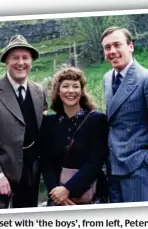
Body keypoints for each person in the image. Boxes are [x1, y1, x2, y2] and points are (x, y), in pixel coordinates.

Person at [0, 35, 47, 209]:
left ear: (31, 61)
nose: (20, 62)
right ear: (6, 61)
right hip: (2, 175)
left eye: (25, 58)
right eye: (15, 57)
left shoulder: (39, 91)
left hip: (31, 172)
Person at [101, 26, 148, 202]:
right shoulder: (107, 78)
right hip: (114, 167)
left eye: (117, 45)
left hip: (140, 169)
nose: (112, 51)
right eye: (107, 47)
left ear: (130, 46)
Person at [40, 67, 109, 206]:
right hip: (57, 198)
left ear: (82, 91)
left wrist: (68, 190)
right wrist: (57, 193)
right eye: (65, 86)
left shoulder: (97, 120)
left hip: (91, 195)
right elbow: (46, 162)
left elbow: (95, 162)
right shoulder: (48, 122)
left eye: (75, 86)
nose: (71, 91)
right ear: (58, 91)